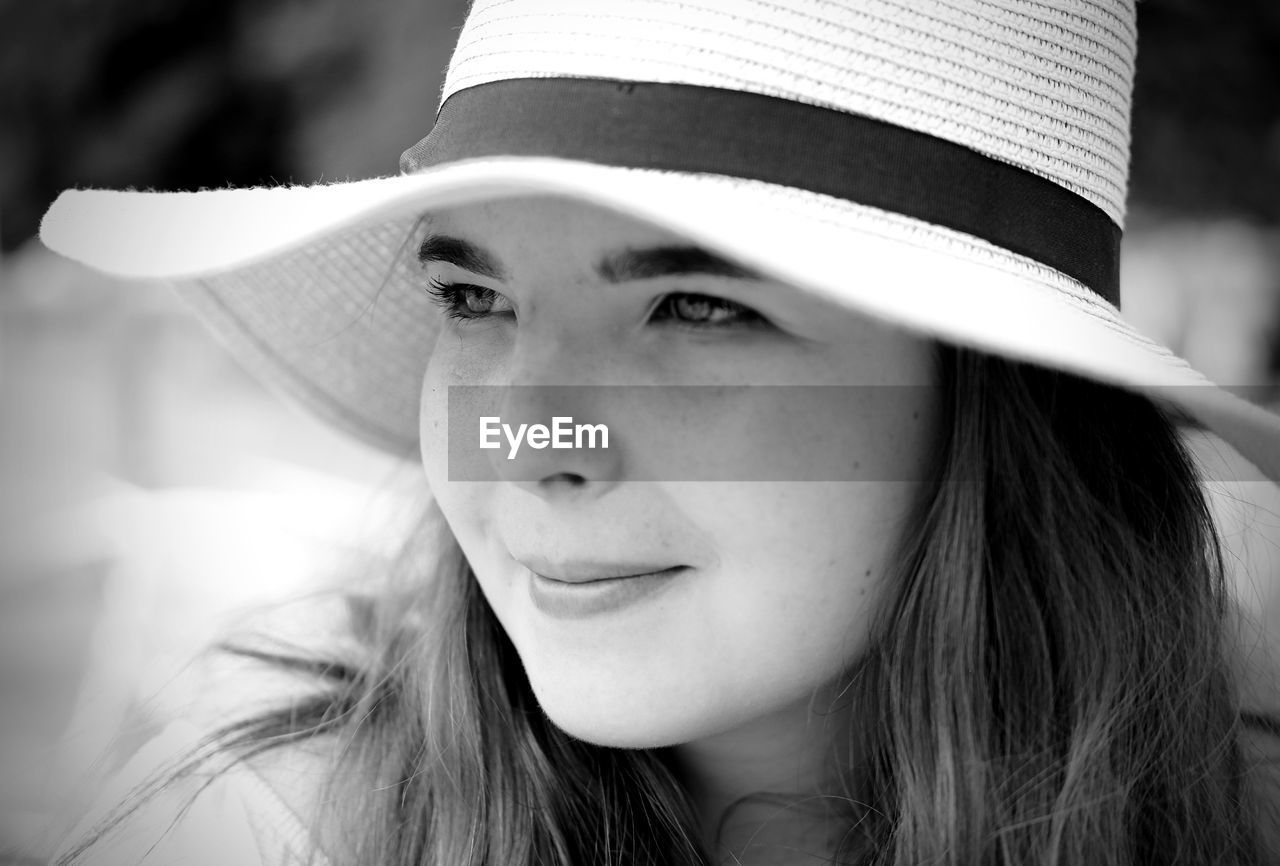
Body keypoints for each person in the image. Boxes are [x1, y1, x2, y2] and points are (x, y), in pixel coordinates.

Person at [39, 0, 1280, 863]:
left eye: (697, 307)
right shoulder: (262, 828)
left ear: (996, 404)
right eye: (471, 299)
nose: (531, 440)